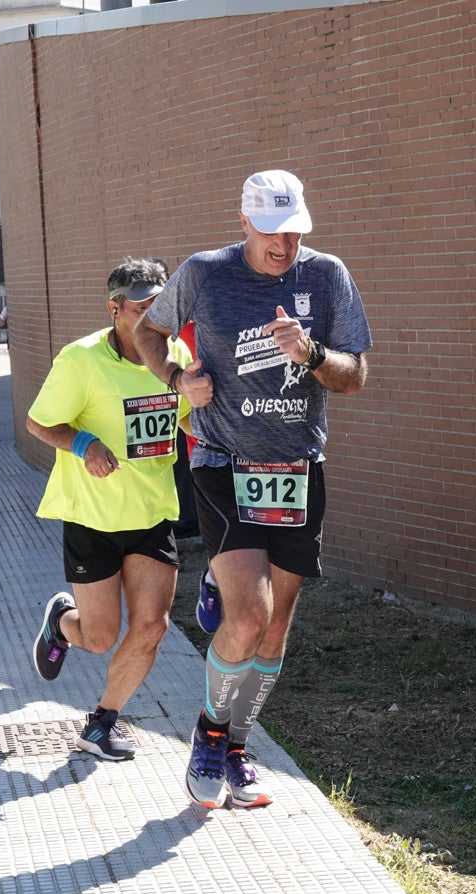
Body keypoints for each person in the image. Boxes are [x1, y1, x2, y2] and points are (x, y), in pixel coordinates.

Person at [135, 169, 372, 810]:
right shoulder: (204, 273)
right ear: (244, 222)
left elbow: (355, 376)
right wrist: (179, 377)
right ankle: (210, 732)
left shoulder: (326, 276)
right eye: (271, 233)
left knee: (274, 628)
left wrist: (313, 355)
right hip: (222, 461)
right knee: (248, 615)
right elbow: (147, 333)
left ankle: (238, 747)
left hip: (296, 469)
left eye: (294, 233)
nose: (284, 247)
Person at [28, 257, 193, 761]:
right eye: (140, 307)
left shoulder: (176, 354)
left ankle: (101, 723)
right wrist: (82, 443)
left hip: (151, 516)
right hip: (94, 519)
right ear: (114, 309)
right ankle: (62, 623)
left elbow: (187, 417)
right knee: (99, 638)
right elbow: (39, 423)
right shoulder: (80, 360)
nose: (150, 317)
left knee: (153, 625)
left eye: (158, 307)